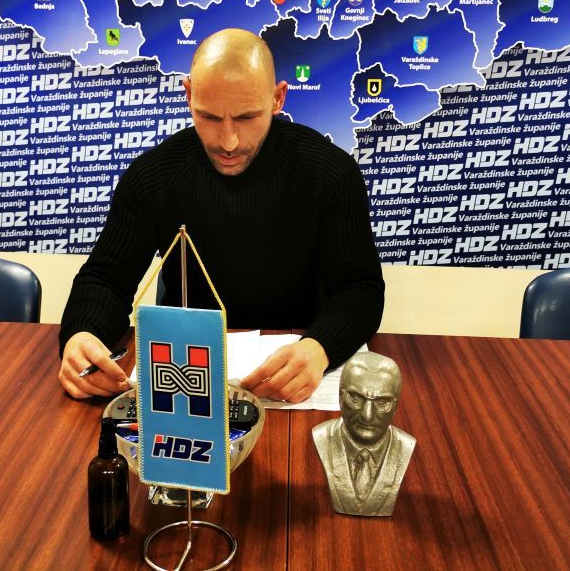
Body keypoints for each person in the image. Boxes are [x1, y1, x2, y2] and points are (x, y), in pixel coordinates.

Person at [58, 28, 384, 403]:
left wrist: (321, 346)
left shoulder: (330, 173)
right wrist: (82, 335)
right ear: (188, 95)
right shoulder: (153, 176)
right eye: (209, 117)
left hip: (298, 365)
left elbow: (360, 287)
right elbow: (105, 278)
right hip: (185, 374)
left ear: (277, 98)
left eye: (247, 117)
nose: (229, 141)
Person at [312, 351, 415, 516]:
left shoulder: (405, 446)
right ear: (340, 396)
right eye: (356, 398)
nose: (367, 415)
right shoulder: (322, 437)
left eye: (382, 401)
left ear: (396, 405)